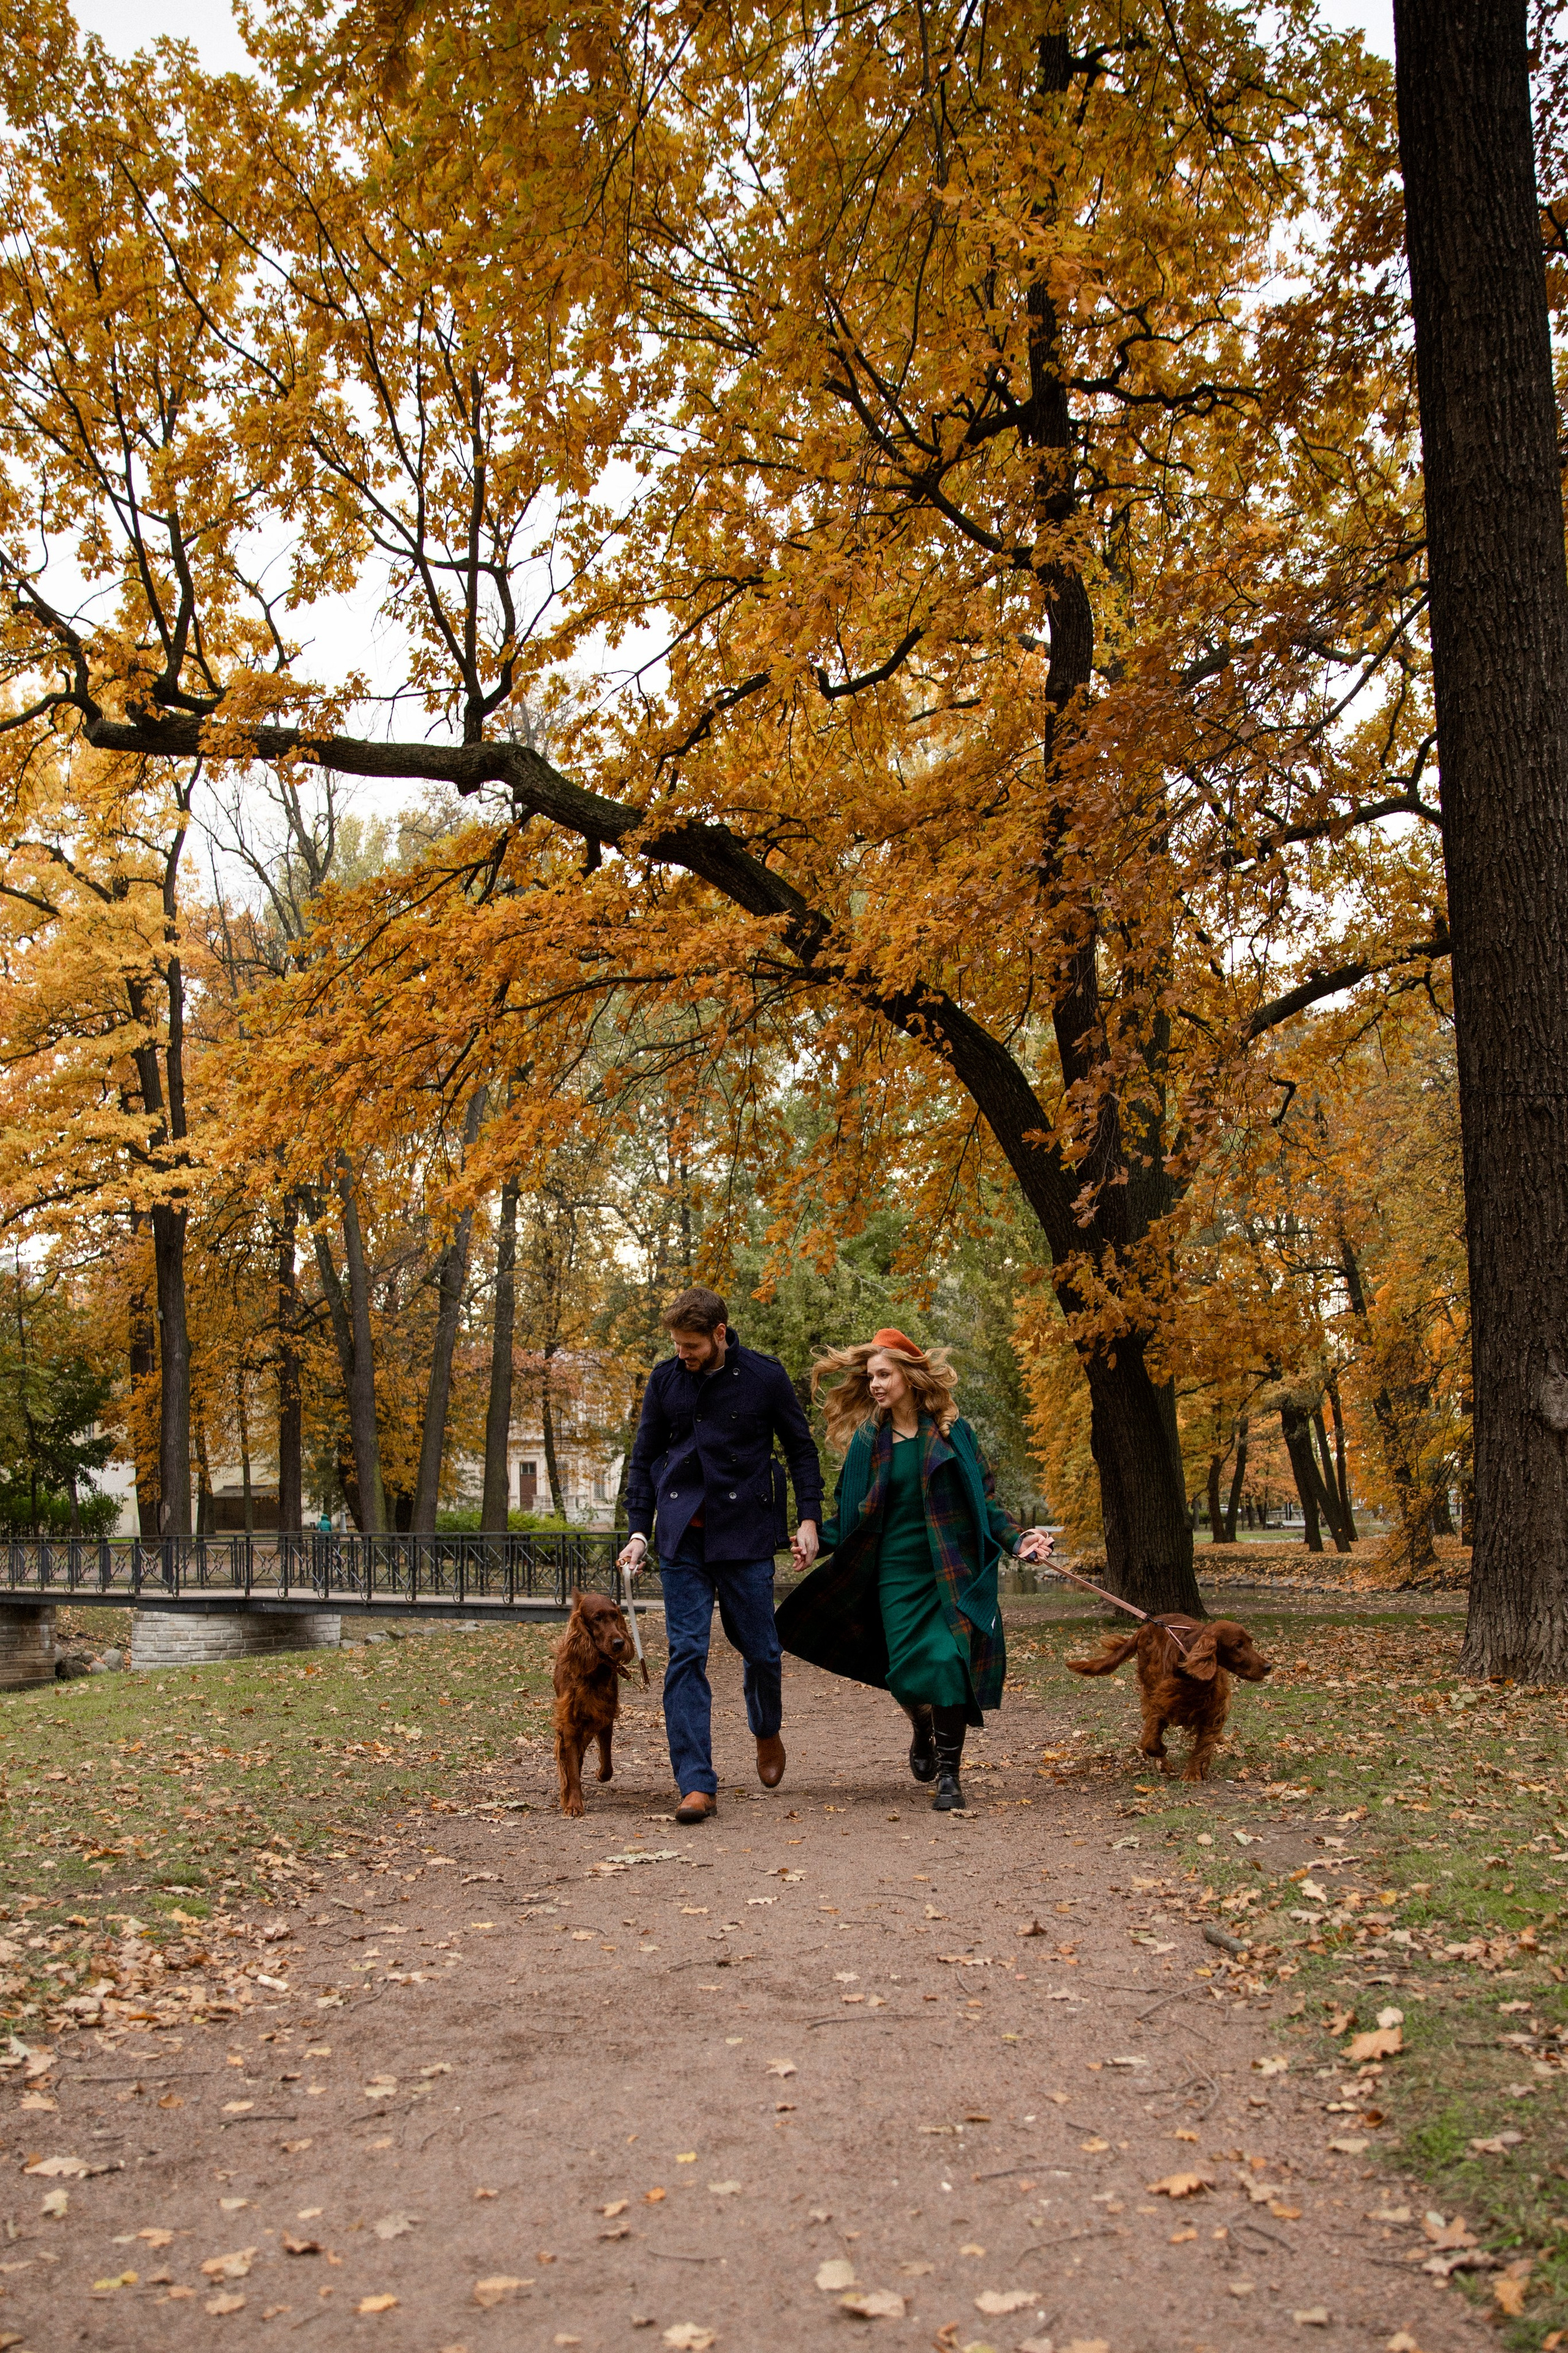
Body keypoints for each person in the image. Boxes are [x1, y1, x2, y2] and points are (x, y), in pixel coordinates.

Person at [775, 1328, 1052, 1811]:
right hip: (892, 1574)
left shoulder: (951, 1431)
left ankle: (950, 1776)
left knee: (946, 1661)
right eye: (871, 1376)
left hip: (948, 1568)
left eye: (884, 1374)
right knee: (904, 1674)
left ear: (909, 1374)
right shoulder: (869, 1440)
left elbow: (985, 1501)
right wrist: (814, 1542)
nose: (875, 1384)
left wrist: (1019, 1538)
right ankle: (923, 1723)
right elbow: (853, 1513)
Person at [618, 1286, 823, 1826]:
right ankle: (695, 1782)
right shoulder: (664, 1381)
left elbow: (801, 1448)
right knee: (686, 1653)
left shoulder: (764, 1376)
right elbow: (643, 1461)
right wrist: (639, 1532)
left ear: (719, 1334)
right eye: (678, 1345)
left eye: (691, 1345)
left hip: (747, 1534)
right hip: (683, 1537)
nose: (683, 1353)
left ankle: (766, 1727)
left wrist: (807, 1519)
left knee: (763, 1650)